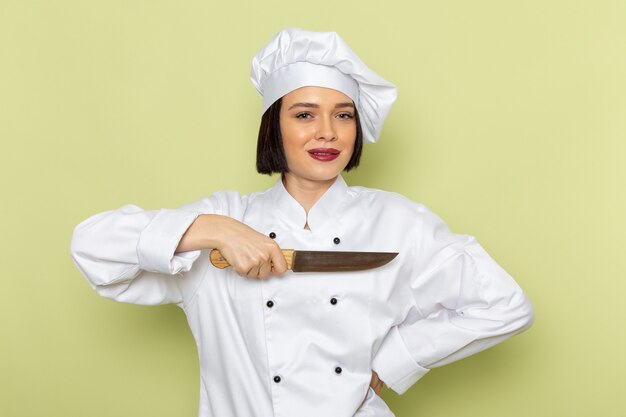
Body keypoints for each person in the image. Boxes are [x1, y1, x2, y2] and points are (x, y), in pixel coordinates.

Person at [70, 28, 534, 417]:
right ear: (274, 126)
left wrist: (395, 362)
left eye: (343, 115)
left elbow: (506, 305)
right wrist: (216, 229)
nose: (327, 132)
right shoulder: (226, 218)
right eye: (305, 114)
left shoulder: (400, 223)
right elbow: (93, 247)